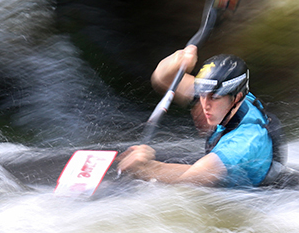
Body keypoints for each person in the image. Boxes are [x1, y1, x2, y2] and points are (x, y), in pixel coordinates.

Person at [117, 45, 285, 187]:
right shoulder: (228, 98)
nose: (205, 104)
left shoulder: (244, 143)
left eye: (214, 97)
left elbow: (193, 178)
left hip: (247, 195)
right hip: (218, 168)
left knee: (142, 173)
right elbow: (163, 79)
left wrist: (146, 170)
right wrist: (177, 60)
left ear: (237, 98)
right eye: (202, 95)